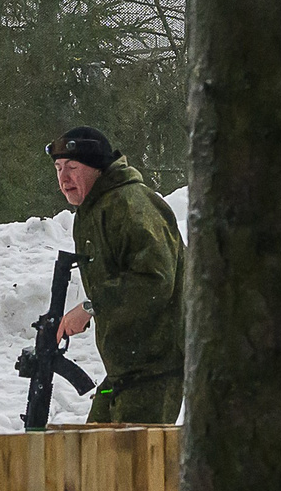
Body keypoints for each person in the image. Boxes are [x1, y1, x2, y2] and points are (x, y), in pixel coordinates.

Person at [48, 126, 185, 423]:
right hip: (124, 372)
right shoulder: (93, 210)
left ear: (97, 168)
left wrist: (90, 307)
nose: (64, 178)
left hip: (154, 370)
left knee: (130, 464)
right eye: (58, 168)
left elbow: (155, 280)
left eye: (72, 167)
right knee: (95, 455)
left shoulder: (130, 205)